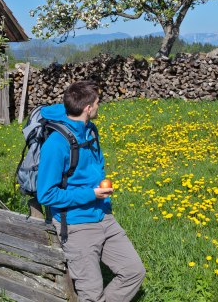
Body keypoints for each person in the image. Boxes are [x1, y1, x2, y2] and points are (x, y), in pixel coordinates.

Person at [37, 81, 145, 302]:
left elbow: (97, 165)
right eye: (97, 102)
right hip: (77, 225)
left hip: (103, 216)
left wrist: (101, 190)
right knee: (91, 294)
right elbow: (46, 195)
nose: (98, 106)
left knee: (134, 271)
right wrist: (90, 194)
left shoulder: (90, 130)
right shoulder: (56, 144)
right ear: (88, 108)